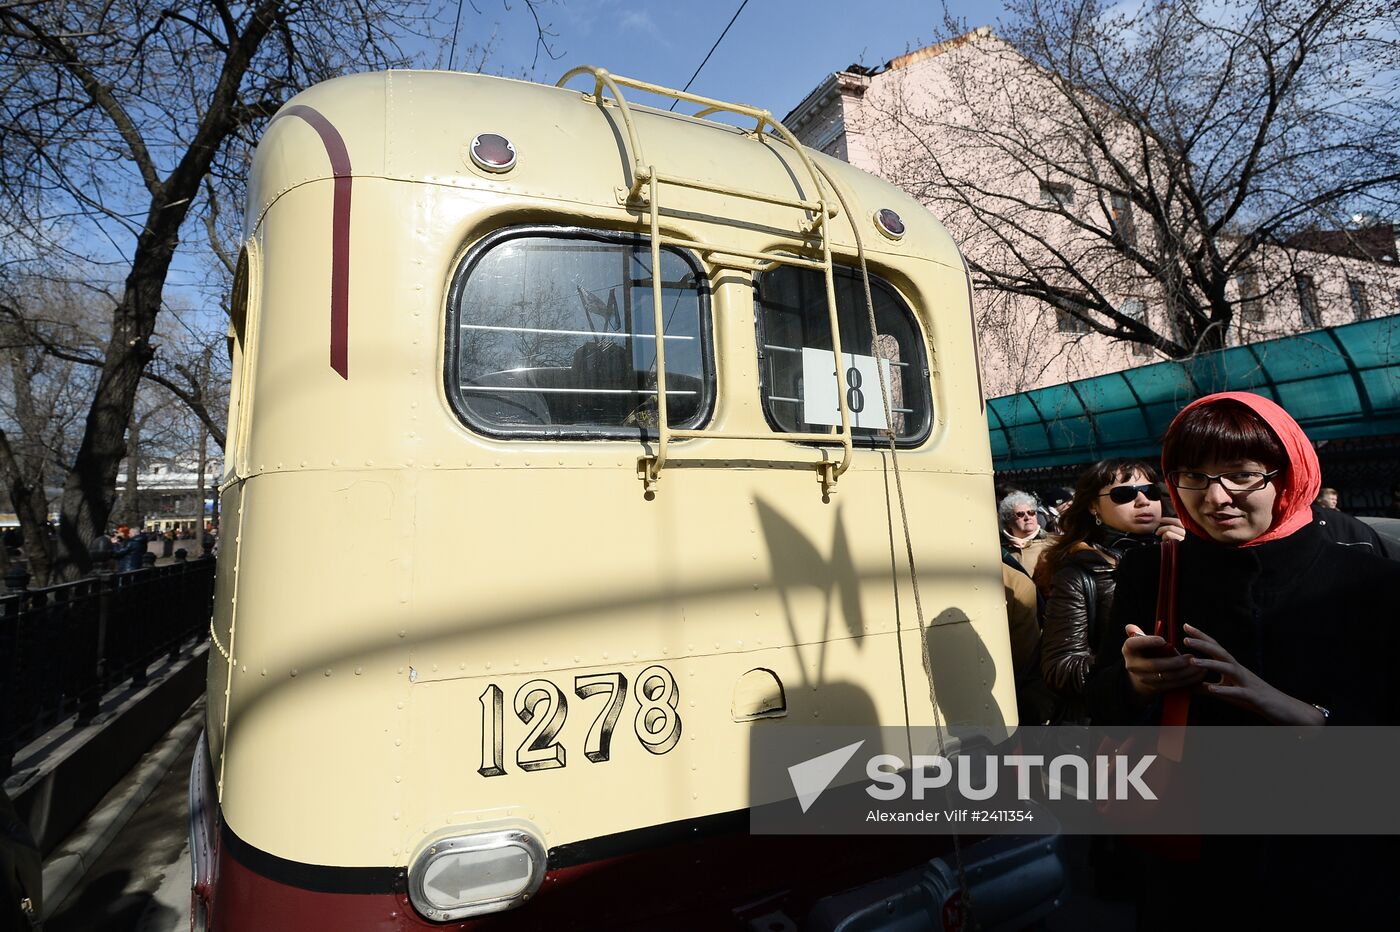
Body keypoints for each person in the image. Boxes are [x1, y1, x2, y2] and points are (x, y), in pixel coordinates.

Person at [1083, 391, 1400, 926]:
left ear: (1287, 473)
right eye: (1194, 476)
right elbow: (1102, 702)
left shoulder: (1366, 577)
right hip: (1193, 858)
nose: (1217, 497)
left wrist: (1309, 717)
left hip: (1334, 857)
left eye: (1241, 474)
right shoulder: (1153, 572)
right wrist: (1136, 683)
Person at [1034, 459, 1183, 720]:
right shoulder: (1080, 573)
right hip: (1120, 729)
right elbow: (1060, 668)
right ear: (1094, 508)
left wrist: (1196, 558)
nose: (1143, 501)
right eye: (1123, 494)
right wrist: (1130, 669)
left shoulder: (1184, 552)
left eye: (1150, 491)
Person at [998, 490, 1051, 579]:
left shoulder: (1053, 543)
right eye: (1020, 514)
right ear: (1008, 521)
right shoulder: (999, 549)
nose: (1027, 517)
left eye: (1031, 512)